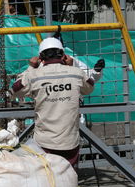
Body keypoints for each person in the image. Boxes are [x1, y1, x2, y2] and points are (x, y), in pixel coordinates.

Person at [10, 37, 104, 171]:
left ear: (41, 57)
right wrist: (70, 67)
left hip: (45, 142)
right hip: (70, 141)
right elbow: (89, 87)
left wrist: (31, 67)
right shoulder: (76, 73)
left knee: (48, 179)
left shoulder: (34, 75)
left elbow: (15, 90)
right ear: (63, 55)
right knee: (69, 177)